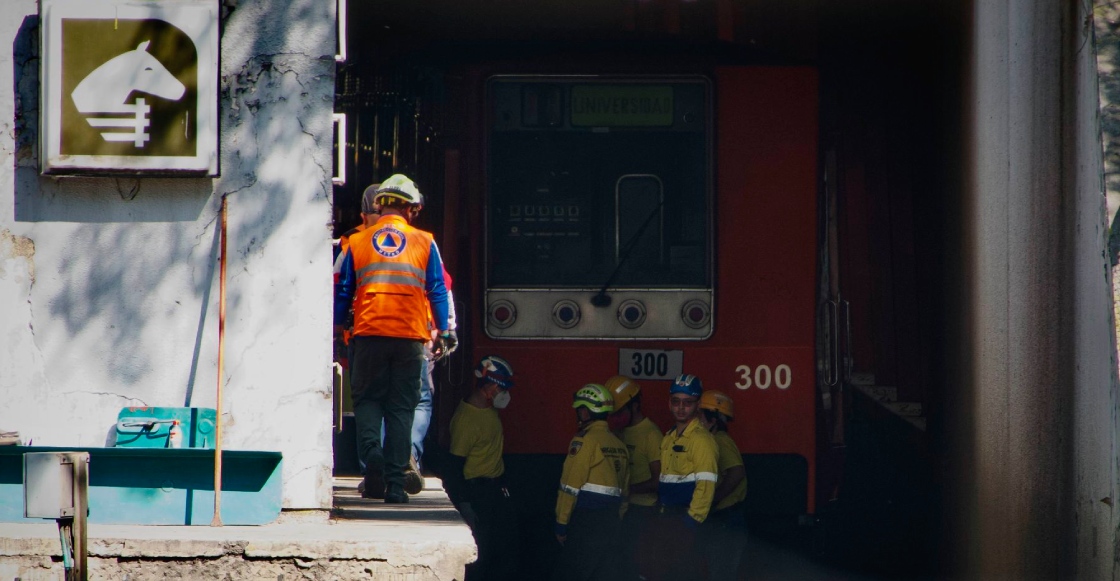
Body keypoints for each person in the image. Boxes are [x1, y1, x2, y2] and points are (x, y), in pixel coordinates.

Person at [334, 174, 456, 504]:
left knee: (368, 402)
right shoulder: (425, 242)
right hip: (409, 338)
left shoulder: (358, 242)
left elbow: (343, 290)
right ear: (410, 208)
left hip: (368, 335)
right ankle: (396, 485)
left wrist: (336, 328)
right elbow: (437, 289)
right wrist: (444, 330)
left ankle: (372, 456)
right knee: (402, 408)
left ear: (380, 205)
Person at [444, 355, 518, 581]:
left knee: (502, 551)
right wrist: (464, 504)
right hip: (478, 494)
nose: (505, 395)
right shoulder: (467, 420)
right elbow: (454, 466)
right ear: (491, 388)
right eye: (502, 389)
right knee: (481, 555)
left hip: (496, 490)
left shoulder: (488, 408)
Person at [552, 383, 630, 581]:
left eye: (580, 410)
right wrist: (618, 518)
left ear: (586, 412)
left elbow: (569, 487)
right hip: (612, 522)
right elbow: (625, 492)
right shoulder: (620, 445)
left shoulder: (584, 441)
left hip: (586, 524)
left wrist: (561, 524)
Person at [648, 374, 719, 581]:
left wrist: (691, 522)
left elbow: (706, 486)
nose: (680, 408)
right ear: (669, 403)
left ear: (698, 405)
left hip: (687, 522)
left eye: (687, 402)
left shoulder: (701, 440)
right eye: (676, 401)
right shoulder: (669, 437)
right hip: (668, 520)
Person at [604, 375, 661, 580]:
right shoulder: (618, 433)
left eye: (619, 412)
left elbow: (658, 481)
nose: (615, 417)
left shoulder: (651, 434)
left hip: (643, 510)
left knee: (637, 565)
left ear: (635, 406)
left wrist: (629, 490)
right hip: (621, 508)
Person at [697, 390, 747, 580]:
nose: (697, 420)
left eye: (700, 415)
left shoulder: (719, 441)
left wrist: (713, 499)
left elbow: (736, 472)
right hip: (726, 518)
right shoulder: (716, 440)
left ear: (713, 420)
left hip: (726, 518)